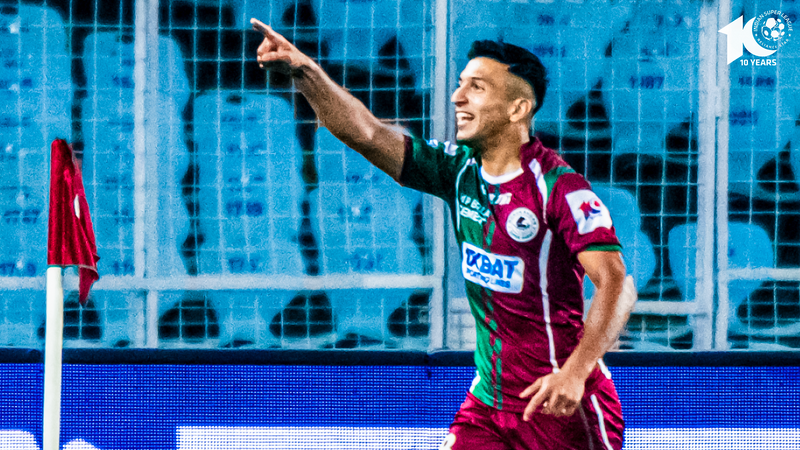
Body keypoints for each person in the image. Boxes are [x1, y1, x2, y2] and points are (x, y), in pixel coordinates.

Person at [251, 17, 637, 450]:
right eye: (460, 84)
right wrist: (305, 70)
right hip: (489, 403)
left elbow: (616, 282)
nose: (457, 97)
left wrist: (575, 373)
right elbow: (367, 133)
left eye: (477, 87)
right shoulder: (457, 170)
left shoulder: (559, 189)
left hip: (560, 406)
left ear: (517, 110)